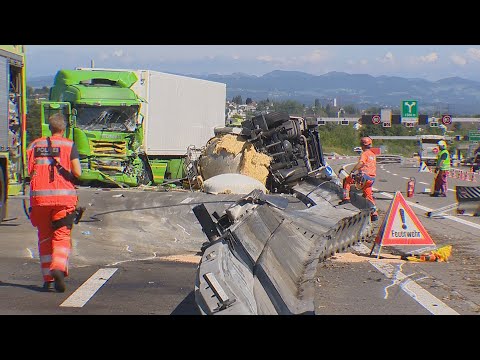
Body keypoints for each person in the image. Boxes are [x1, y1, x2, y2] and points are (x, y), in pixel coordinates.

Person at [26, 113, 82, 292]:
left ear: (49, 127)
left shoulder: (34, 145)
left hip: (39, 200)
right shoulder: (68, 145)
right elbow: (78, 172)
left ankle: (47, 279)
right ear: (64, 129)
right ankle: (57, 267)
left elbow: (29, 171)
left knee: (44, 237)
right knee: (61, 236)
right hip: (63, 200)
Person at [339, 136, 378, 222]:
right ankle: (374, 214)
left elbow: (361, 163)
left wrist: (352, 171)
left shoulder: (364, 154)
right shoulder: (373, 155)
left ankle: (346, 198)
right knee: (368, 194)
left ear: (362, 145)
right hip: (371, 178)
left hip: (364, 177)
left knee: (347, 180)